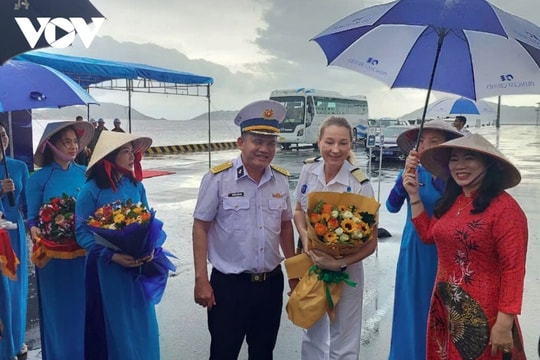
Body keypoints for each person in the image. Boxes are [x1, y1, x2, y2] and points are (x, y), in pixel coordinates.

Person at [403, 133, 527, 359]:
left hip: (484, 313)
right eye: (454, 159)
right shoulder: (454, 201)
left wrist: (504, 322)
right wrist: (414, 195)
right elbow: (429, 235)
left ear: (488, 163)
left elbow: (514, 269)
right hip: (445, 308)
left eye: (469, 158)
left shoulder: (505, 210)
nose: (460, 166)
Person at [192, 100, 296, 360]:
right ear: (241, 142)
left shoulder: (280, 179)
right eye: (257, 141)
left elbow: (285, 225)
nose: (264, 149)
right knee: (223, 353)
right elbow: (200, 227)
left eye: (271, 143)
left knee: (263, 353)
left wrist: (295, 274)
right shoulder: (218, 178)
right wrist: (201, 280)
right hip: (229, 287)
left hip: (270, 284)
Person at [293, 116, 378, 360]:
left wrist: (339, 263)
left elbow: (371, 241)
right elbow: (298, 210)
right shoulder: (309, 171)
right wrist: (306, 238)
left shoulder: (359, 182)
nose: (335, 149)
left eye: (343, 143)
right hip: (312, 264)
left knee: (345, 335)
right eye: (329, 142)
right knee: (312, 330)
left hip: (347, 269)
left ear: (351, 144)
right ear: (318, 141)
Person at [75, 131, 159, 359]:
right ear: (110, 155)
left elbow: (147, 220)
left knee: (142, 319)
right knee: (116, 323)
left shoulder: (136, 186)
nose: (132, 157)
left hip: (137, 267)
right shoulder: (90, 190)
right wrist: (112, 255)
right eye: (126, 151)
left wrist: (149, 248)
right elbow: (82, 233)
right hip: (107, 270)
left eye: (133, 151)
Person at [387, 119, 463, 360]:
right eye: (421, 141)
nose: (425, 146)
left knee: (443, 311)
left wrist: (437, 179)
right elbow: (391, 206)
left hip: (444, 253)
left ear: (446, 147)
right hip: (414, 251)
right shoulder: (410, 172)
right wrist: (404, 181)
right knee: (411, 309)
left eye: (434, 141)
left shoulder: (456, 177)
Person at [25, 120, 94, 360]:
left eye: (75, 141)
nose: (73, 146)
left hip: (82, 255)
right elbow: (31, 217)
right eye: (67, 141)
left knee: (84, 309)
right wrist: (33, 230)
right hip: (52, 260)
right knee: (58, 312)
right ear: (51, 145)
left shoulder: (86, 175)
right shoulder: (38, 179)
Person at [0, 121, 29, 360]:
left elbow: (28, 203)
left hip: (14, 231)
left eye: (3, 134)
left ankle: (17, 339)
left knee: (15, 287)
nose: (2, 139)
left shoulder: (18, 167)